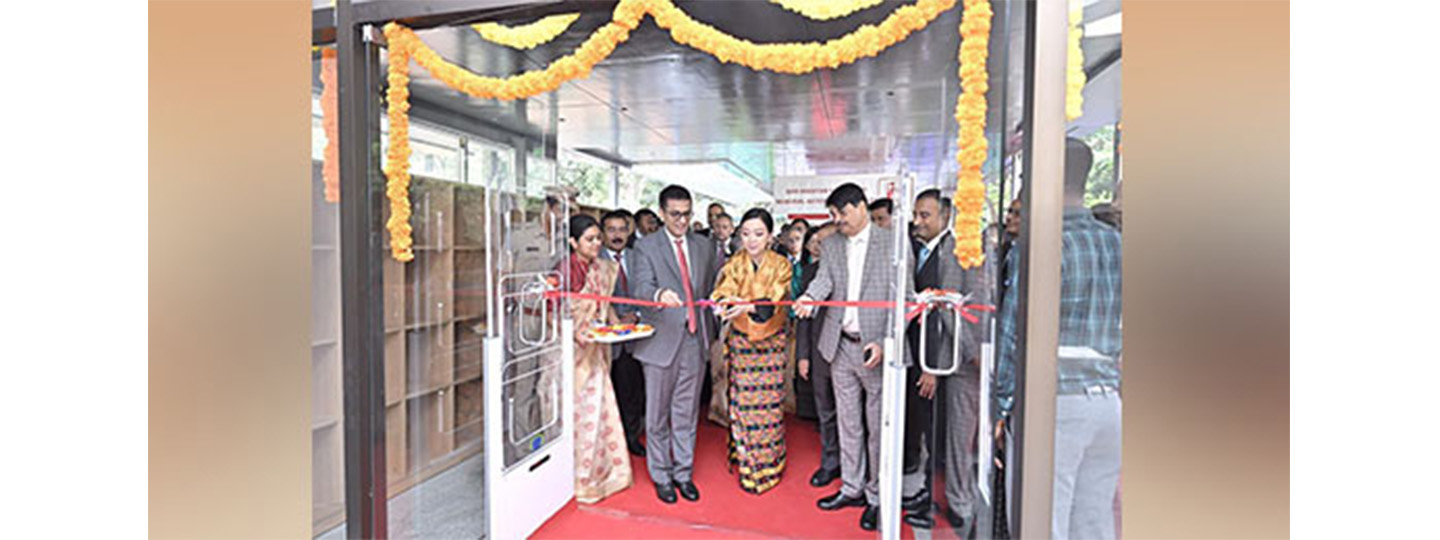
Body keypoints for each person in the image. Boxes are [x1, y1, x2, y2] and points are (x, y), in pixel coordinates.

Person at [795, 183, 911, 532]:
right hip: (840, 345)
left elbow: (904, 299)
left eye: (841, 213)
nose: (837, 221)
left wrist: (886, 342)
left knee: (877, 427)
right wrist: (809, 299)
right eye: (833, 215)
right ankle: (851, 487)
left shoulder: (892, 242)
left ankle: (876, 496)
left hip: (874, 348)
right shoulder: (831, 245)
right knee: (847, 421)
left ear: (860, 207)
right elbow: (824, 282)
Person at [1048, 138, 1123, 540]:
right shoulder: (1116, 243)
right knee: (1094, 519)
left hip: (1059, 401)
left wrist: (1005, 404)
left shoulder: (1045, 243)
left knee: (1048, 516)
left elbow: (1013, 336)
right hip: (1108, 399)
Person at [903, 189, 990, 532]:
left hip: (954, 361)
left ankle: (958, 504)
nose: (917, 221)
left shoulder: (959, 254)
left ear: (945, 217)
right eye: (916, 214)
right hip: (927, 355)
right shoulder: (918, 250)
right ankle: (928, 493)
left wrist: (935, 367)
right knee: (934, 432)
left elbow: (950, 315)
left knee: (956, 438)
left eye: (925, 215)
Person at [629, 185, 720, 505]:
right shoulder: (647, 247)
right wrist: (657, 296)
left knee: (685, 412)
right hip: (660, 342)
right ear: (662, 213)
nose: (682, 221)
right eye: (675, 214)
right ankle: (661, 475)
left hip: (695, 340)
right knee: (657, 415)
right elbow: (640, 286)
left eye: (687, 214)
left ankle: (683, 473)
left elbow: (711, 287)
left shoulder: (704, 246)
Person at [710, 208, 793, 494]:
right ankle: (748, 465)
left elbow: (777, 298)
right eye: (745, 234)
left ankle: (769, 466)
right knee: (743, 405)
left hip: (771, 345)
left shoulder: (781, 264)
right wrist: (724, 302)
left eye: (758, 234)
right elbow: (722, 291)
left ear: (770, 236)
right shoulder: (735, 263)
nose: (751, 240)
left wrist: (748, 305)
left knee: (769, 409)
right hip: (742, 343)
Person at [557, 214, 634, 503]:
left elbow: (604, 308)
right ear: (572, 242)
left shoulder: (602, 268)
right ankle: (579, 479)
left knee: (600, 412)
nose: (596, 244)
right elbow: (555, 316)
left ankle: (602, 473)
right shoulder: (565, 271)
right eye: (590, 239)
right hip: (574, 356)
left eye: (597, 238)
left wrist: (617, 327)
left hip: (598, 351)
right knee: (581, 415)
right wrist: (578, 332)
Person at [795, 222, 840, 487]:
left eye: (828, 241)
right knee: (826, 411)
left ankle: (855, 465)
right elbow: (804, 320)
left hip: (848, 350)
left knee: (851, 414)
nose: (822, 247)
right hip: (818, 349)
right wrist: (803, 355)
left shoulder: (852, 270)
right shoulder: (811, 271)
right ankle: (830, 461)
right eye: (819, 242)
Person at [600, 210, 647, 457]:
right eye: (611, 230)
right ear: (603, 233)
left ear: (629, 231)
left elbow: (647, 288)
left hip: (636, 335)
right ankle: (609, 442)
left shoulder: (638, 256)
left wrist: (637, 314)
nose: (617, 235)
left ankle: (631, 436)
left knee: (633, 389)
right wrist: (615, 318)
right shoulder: (594, 258)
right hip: (606, 339)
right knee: (610, 392)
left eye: (622, 229)